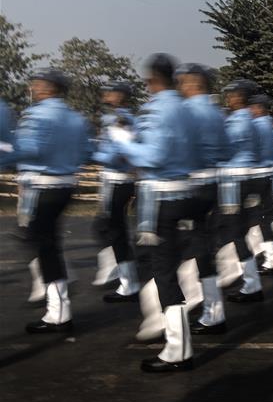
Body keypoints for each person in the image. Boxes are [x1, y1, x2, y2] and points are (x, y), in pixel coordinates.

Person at [106, 54, 198, 372]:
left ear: (152, 81)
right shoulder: (186, 108)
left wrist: (124, 143)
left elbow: (155, 156)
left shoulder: (159, 108)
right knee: (168, 266)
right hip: (183, 193)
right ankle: (179, 343)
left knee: (162, 270)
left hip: (161, 197)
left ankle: (178, 349)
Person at [4, 69, 91, 333]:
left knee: (43, 246)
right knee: (47, 243)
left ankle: (58, 313)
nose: (34, 87)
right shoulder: (76, 118)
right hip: (66, 185)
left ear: (48, 87)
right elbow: (86, 152)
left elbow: (30, 148)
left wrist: (5, 153)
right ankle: (59, 307)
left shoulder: (37, 114)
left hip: (43, 187)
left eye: (37, 84)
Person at [177, 63, 231, 335]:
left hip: (190, 185)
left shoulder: (186, 112)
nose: (180, 87)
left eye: (184, 82)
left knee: (176, 248)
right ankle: (212, 307)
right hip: (212, 183)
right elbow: (227, 151)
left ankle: (188, 304)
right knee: (200, 245)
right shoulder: (216, 112)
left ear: (194, 84)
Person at [91, 81, 140, 302]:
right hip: (122, 179)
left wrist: (92, 153)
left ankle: (127, 283)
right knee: (110, 228)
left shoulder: (118, 119)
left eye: (111, 91)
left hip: (117, 179)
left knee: (112, 230)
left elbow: (117, 153)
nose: (106, 94)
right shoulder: (126, 118)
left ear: (121, 95)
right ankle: (121, 275)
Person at [219, 80, 265, 303]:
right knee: (235, 232)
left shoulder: (241, 121)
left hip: (236, 179)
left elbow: (223, 146)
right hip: (240, 177)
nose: (229, 98)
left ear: (240, 97)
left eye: (232, 94)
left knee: (234, 233)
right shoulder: (246, 120)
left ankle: (251, 283)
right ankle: (249, 280)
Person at [249, 93, 273, 275]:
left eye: (252, 107)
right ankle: (272, 257)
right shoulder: (271, 125)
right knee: (266, 218)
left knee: (261, 219)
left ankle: (271, 260)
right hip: (271, 174)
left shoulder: (256, 126)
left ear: (260, 108)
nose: (249, 110)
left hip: (259, 176)